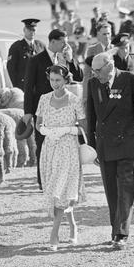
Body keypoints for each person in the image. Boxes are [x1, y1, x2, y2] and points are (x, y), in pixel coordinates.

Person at [87, 52, 134, 250]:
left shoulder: (130, 79)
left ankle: (122, 233)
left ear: (110, 66)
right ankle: (115, 230)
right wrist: (92, 147)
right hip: (104, 144)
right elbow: (91, 116)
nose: (95, 74)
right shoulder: (93, 84)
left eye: (98, 70)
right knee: (111, 189)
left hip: (126, 142)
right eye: (93, 70)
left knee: (125, 189)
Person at [35, 65, 86, 251]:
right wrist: (46, 130)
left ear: (65, 79)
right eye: (52, 80)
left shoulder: (74, 100)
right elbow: (38, 123)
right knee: (57, 190)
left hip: (68, 148)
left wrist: (67, 129)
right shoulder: (43, 99)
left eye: (58, 80)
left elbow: (83, 126)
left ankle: (54, 233)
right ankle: (72, 224)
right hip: (50, 148)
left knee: (59, 189)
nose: (54, 83)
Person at [23, 29, 72, 190]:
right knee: (43, 144)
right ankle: (43, 180)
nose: (65, 45)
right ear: (53, 41)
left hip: (63, 109)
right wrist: (28, 112)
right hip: (43, 110)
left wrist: (70, 60)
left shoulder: (63, 59)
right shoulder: (36, 60)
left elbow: (75, 75)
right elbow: (29, 87)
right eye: (63, 42)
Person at [7, 19, 46, 89]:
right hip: (23, 86)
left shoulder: (41, 45)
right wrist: (16, 87)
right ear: (24, 30)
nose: (32, 32)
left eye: (34, 30)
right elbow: (11, 69)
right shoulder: (16, 47)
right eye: (29, 30)